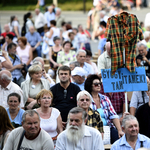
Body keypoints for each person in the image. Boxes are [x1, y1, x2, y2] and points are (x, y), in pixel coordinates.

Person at [84, 74, 124, 144]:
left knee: (119, 139)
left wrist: (119, 130)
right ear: (90, 85)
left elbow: (113, 115)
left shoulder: (105, 98)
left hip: (108, 127)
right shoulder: (86, 99)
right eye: (96, 84)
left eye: (100, 83)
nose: (99, 85)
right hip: (92, 128)